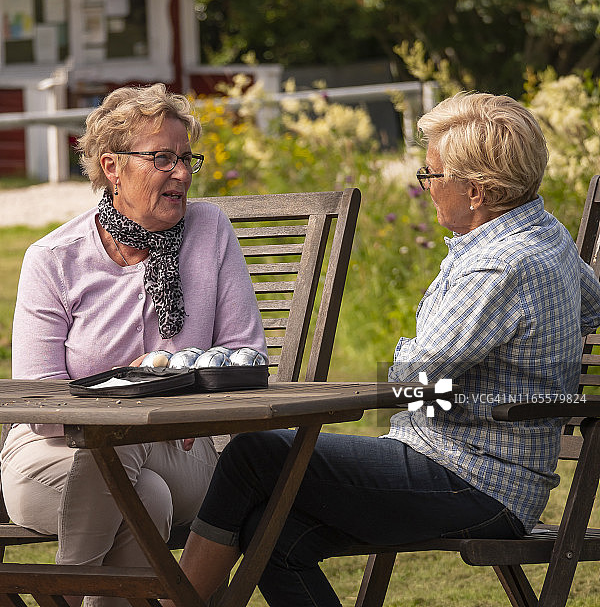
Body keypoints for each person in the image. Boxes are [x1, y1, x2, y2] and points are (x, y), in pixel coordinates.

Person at [166, 92, 600, 607]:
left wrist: (446, 389)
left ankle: (175, 603)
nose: (427, 186)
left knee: (254, 454)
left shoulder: (498, 267)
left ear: (477, 190)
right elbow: (589, 309)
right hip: (482, 470)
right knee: (271, 531)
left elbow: (408, 379)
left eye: (433, 175)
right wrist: (498, 383)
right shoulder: (543, 234)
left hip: (473, 481)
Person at [0, 83, 266, 607]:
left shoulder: (209, 231)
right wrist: (127, 391)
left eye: (187, 158)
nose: (183, 174)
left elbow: (245, 357)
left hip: (182, 450)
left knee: (132, 457)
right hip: (48, 456)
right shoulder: (53, 258)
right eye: (163, 158)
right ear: (112, 166)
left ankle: (67, 595)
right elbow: (41, 407)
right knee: (145, 496)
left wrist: (161, 387)